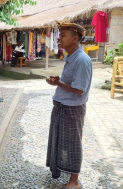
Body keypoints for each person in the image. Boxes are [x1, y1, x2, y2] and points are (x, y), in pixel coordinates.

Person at [46, 23, 92, 189]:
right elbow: (72, 83)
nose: (58, 38)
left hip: (72, 109)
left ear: (74, 38)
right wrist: (59, 81)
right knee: (60, 140)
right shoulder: (72, 57)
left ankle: (74, 181)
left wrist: (58, 83)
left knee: (72, 144)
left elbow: (79, 90)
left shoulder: (81, 60)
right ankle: (60, 169)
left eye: (63, 35)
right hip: (63, 106)